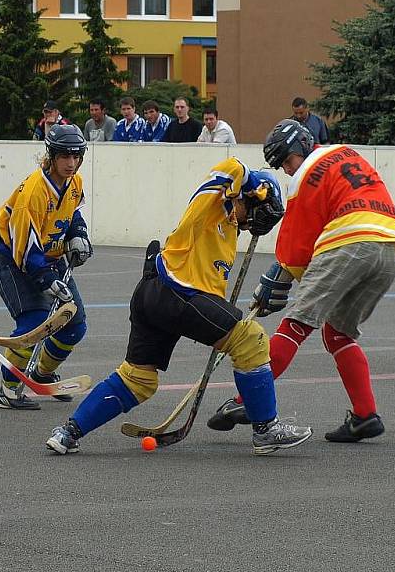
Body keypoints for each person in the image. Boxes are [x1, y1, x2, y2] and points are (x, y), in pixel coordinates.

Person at [47, 157, 314, 456]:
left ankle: (69, 432)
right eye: (256, 212)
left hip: (157, 296)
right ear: (246, 196)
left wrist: (235, 315)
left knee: (139, 379)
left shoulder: (228, 234)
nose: (255, 221)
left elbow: (212, 300)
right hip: (175, 292)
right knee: (251, 339)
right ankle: (266, 429)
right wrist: (255, 182)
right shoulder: (213, 205)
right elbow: (230, 168)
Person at [207, 119, 395, 442]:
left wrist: (278, 278)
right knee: (337, 333)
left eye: (287, 160)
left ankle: (246, 401)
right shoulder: (346, 153)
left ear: (301, 147)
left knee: (296, 323)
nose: (287, 169)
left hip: (350, 239)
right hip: (393, 245)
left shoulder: (305, 174)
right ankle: (365, 415)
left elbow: (296, 247)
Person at [0, 124, 91, 410]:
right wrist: (47, 280)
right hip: (13, 262)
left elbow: (73, 215)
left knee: (75, 324)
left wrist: (79, 236)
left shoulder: (75, 182)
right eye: (64, 156)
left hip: (50, 259)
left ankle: (42, 374)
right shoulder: (34, 193)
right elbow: (23, 252)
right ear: (52, 156)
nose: (71, 163)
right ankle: (8, 390)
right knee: (34, 325)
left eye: (76, 156)